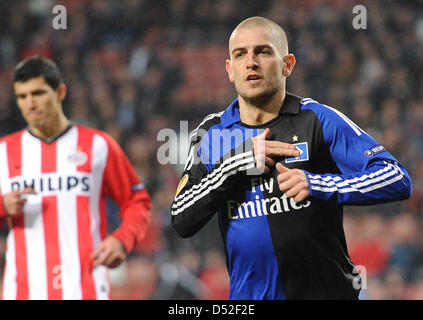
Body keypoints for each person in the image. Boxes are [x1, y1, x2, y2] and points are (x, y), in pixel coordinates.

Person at [170, 16, 412, 299]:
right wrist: (237, 164)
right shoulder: (213, 132)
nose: (251, 62)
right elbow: (181, 219)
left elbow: (397, 177)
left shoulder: (318, 119)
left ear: (288, 64)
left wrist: (320, 185)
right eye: (240, 54)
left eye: (263, 51)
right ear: (230, 70)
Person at [0, 56, 152, 300]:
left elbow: (137, 201)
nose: (30, 103)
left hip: (86, 289)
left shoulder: (97, 145)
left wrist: (122, 240)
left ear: (60, 92)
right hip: (22, 292)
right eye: (22, 96)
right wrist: (2, 206)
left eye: (38, 93)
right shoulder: (3, 152)